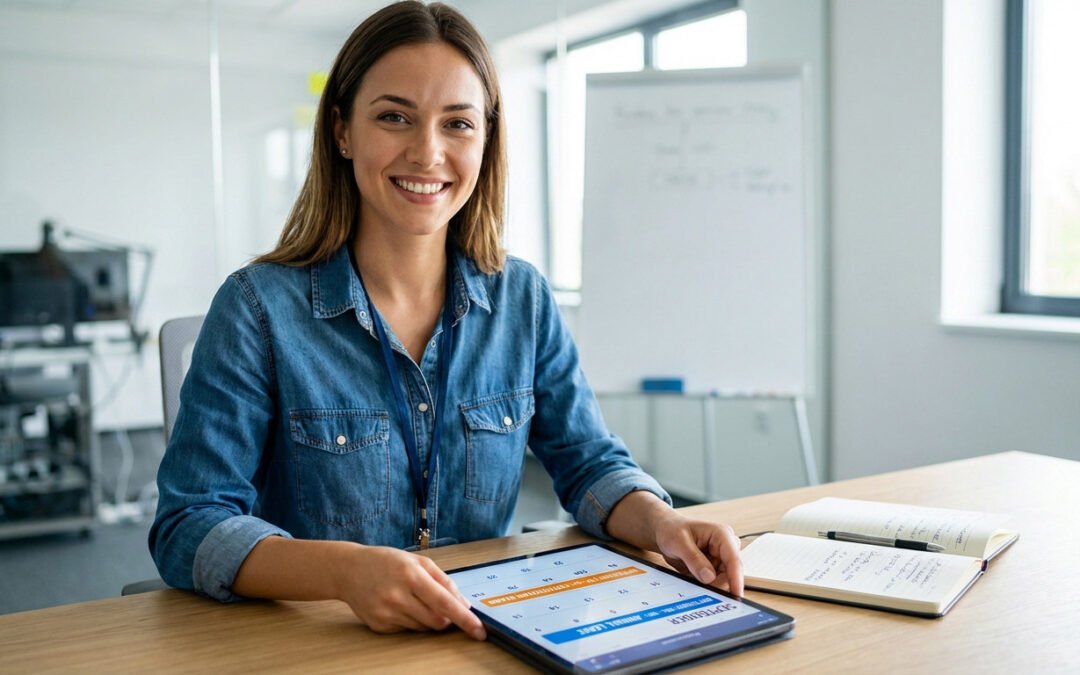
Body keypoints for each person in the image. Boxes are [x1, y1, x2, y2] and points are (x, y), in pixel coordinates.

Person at [149, 0, 742, 642]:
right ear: (343, 131)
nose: (427, 152)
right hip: (323, 645)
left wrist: (661, 523)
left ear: (485, 141)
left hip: (483, 637)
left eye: (457, 123)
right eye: (395, 117)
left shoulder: (522, 299)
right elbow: (191, 522)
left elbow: (589, 463)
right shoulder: (257, 308)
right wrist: (344, 572)